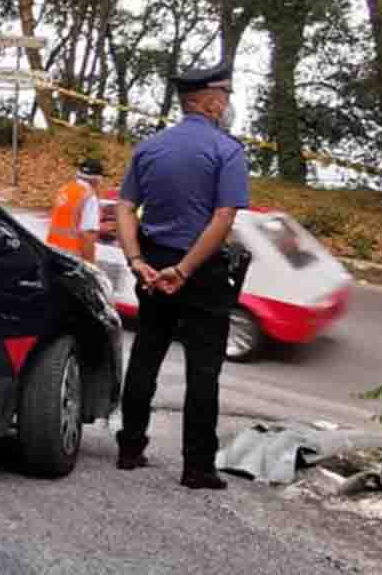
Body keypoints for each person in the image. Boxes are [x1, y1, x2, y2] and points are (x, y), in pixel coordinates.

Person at [113, 61, 249, 490]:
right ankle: (197, 467)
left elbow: (123, 207)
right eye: (224, 97)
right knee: (203, 370)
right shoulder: (227, 151)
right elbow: (224, 216)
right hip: (200, 270)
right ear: (205, 102)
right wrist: (186, 269)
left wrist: (137, 262)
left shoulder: (148, 148)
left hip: (153, 264)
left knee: (147, 353)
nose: (227, 104)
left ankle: (130, 449)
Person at [46, 158, 105, 263]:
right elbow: (88, 235)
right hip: (73, 259)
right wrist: (91, 266)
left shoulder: (65, 189)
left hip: (52, 253)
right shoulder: (89, 197)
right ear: (97, 179)